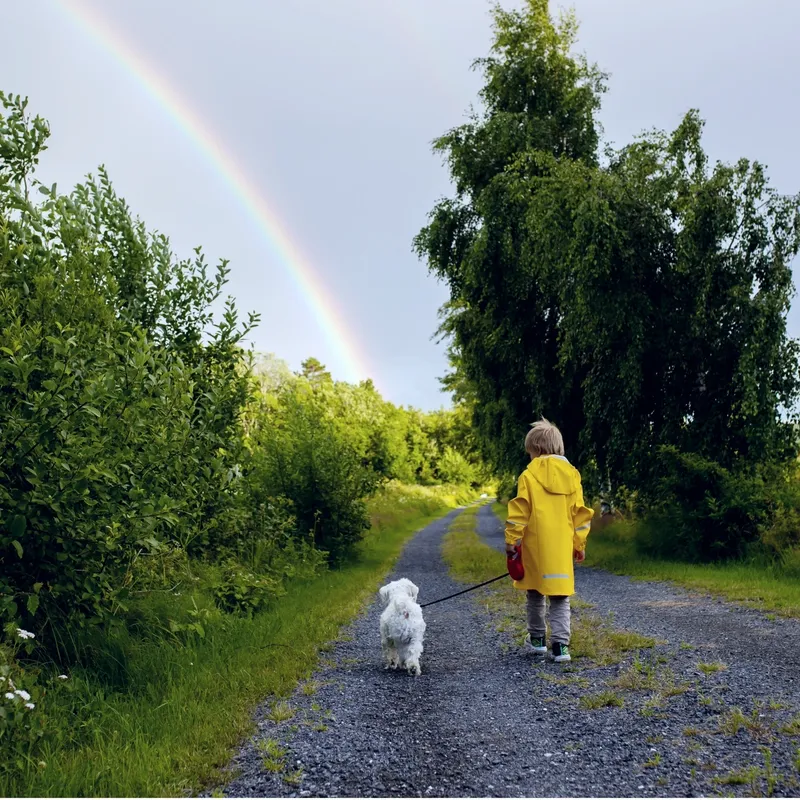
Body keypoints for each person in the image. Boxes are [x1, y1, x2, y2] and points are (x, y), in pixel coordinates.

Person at [504, 418, 594, 663]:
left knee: (535, 593)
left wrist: (512, 540)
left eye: (530, 452)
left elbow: (519, 510)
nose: (530, 457)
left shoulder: (529, 475)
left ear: (537, 449)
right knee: (560, 596)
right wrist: (579, 544)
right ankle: (561, 648)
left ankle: (537, 642)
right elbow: (580, 513)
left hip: (535, 548)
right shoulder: (572, 475)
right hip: (561, 548)